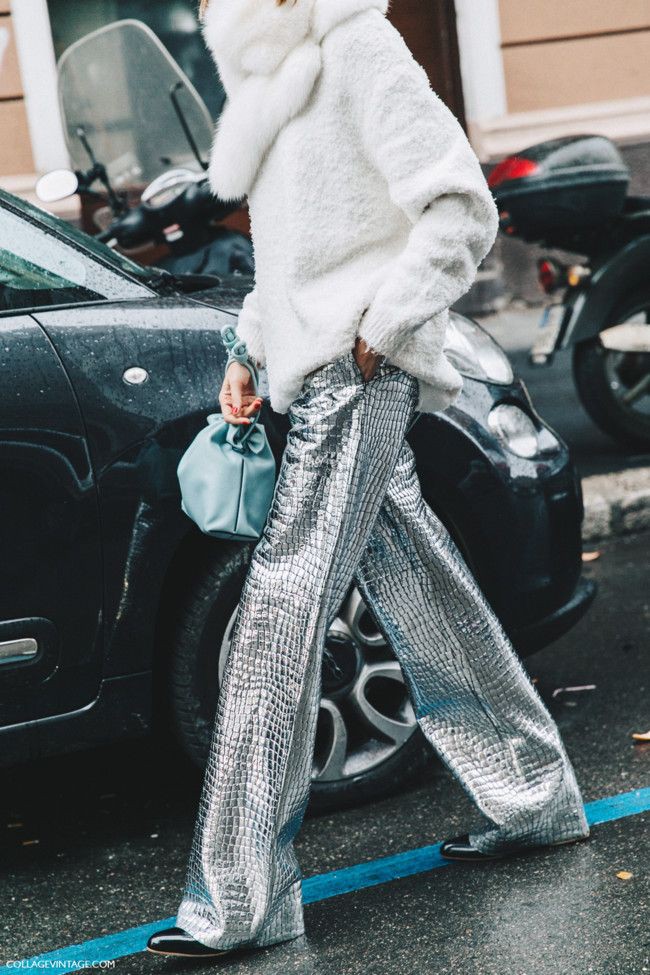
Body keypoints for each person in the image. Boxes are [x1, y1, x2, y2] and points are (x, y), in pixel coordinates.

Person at [148, 0, 590, 960]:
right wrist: (249, 347)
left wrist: (384, 327)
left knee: (280, 603)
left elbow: (459, 203)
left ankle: (242, 894)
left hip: (360, 369)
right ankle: (534, 795)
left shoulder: (356, 44)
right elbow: (294, 251)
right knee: (417, 578)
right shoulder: (272, 77)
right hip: (315, 363)